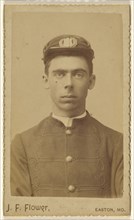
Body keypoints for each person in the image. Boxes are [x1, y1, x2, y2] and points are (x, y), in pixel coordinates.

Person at [11, 34, 123, 197]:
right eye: (59, 74)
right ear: (45, 80)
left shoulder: (117, 143)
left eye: (78, 74)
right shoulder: (22, 145)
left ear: (91, 81)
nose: (69, 84)